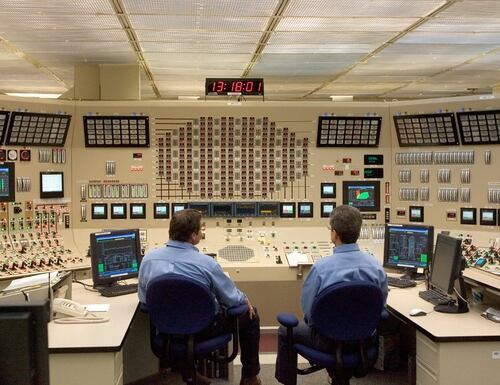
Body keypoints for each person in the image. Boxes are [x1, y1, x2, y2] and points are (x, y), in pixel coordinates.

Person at [138, 209, 261, 385]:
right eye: (201, 230)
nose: (203, 233)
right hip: (204, 329)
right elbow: (232, 299)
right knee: (251, 315)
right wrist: (244, 299)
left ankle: (186, 371)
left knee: (181, 316)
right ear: (194, 236)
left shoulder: (149, 259)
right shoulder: (207, 264)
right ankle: (250, 378)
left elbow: (144, 300)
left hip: (166, 331)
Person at [275, 205, 388, 385]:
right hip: (363, 341)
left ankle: (287, 382)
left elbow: (309, 312)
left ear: (334, 234)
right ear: (358, 232)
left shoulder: (321, 269)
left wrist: (330, 325)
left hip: (326, 340)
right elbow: (380, 307)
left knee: (284, 331)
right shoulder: (376, 268)